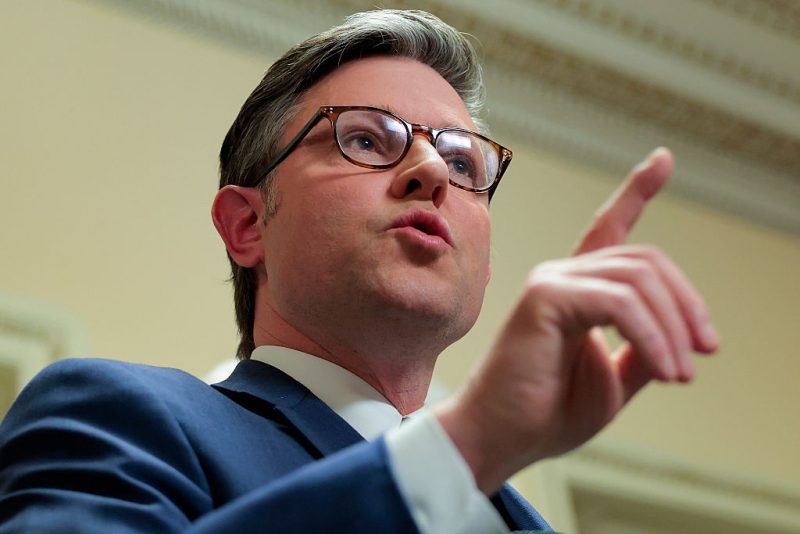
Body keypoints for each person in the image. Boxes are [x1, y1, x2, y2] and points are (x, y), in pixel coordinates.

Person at [0, 9, 718, 533]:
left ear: (486, 268)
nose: (431, 171)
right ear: (248, 224)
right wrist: (468, 443)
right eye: (367, 139)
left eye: (462, 162)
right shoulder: (121, 417)